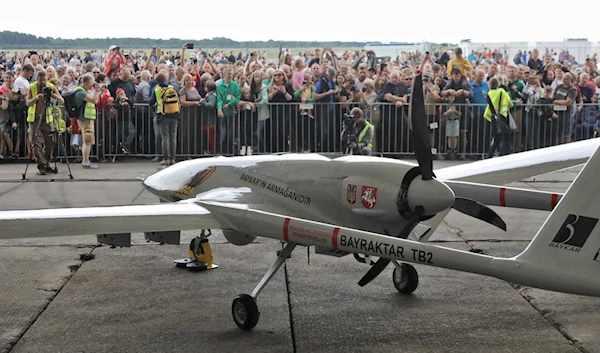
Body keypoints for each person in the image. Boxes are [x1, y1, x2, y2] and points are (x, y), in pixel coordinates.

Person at [25, 70, 64, 175]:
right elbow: (28, 103)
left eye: (44, 80)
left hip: (47, 119)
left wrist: (55, 96)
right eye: (40, 80)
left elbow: (62, 100)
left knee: (50, 142)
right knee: (35, 142)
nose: (42, 82)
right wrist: (36, 98)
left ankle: (46, 163)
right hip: (34, 119)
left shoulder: (51, 86)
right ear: (37, 79)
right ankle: (41, 165)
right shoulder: (32, 87)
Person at [73, 74, 104, 169]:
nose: (93, 84)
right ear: (87, 82)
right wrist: (98, 91)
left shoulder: (84, 91)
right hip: (85, 119)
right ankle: (85, 161)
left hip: (87, 118)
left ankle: (86, 160)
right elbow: (94, 101)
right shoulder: (81, 93)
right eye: (92, 82)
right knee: (87, 141)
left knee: (88, 141)